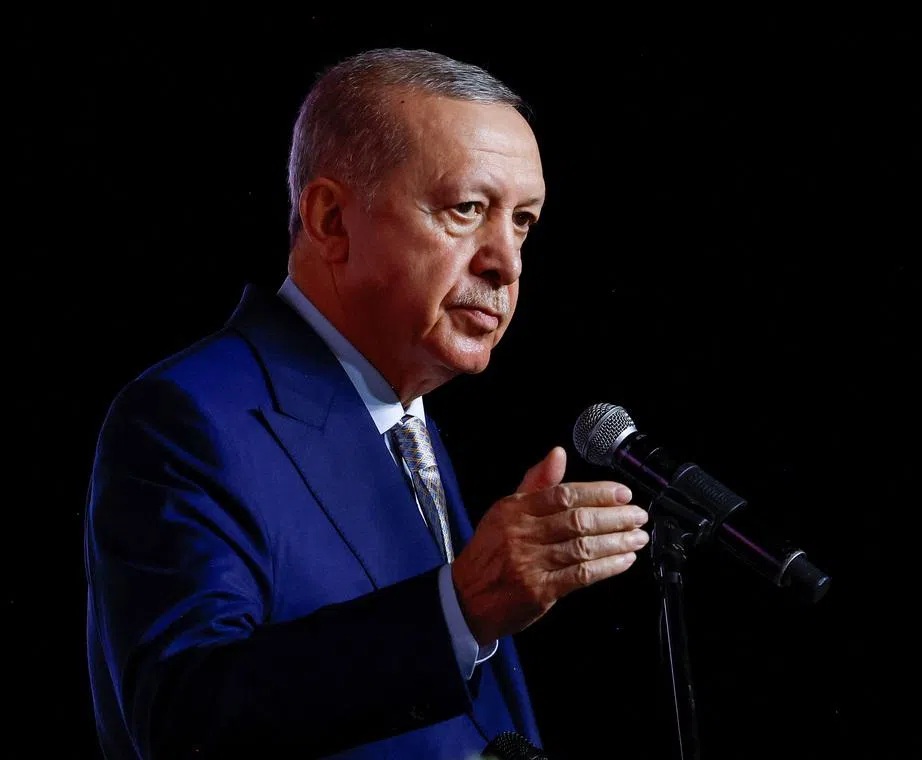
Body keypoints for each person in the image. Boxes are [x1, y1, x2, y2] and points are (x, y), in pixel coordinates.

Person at [84, 48, 650, 759]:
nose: (505, 261)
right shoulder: (188, 417)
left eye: (523, 222)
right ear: (329, 220)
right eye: (467, 209)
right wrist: (463, 607)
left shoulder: (406, 419)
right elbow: (184, 720)